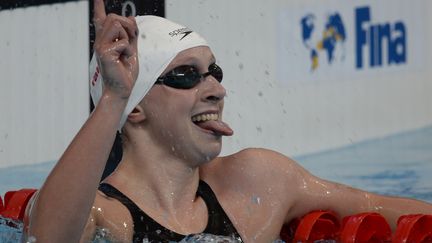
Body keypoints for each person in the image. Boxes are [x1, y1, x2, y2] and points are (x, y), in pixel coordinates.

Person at [24, 0, 432, 242]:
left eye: (214, 72)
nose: (216, 90)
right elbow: (48, 238)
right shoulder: (107, 217)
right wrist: (113, 96)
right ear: (134, 108)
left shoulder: (257, 186)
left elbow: (374, 205)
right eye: (185, 75)